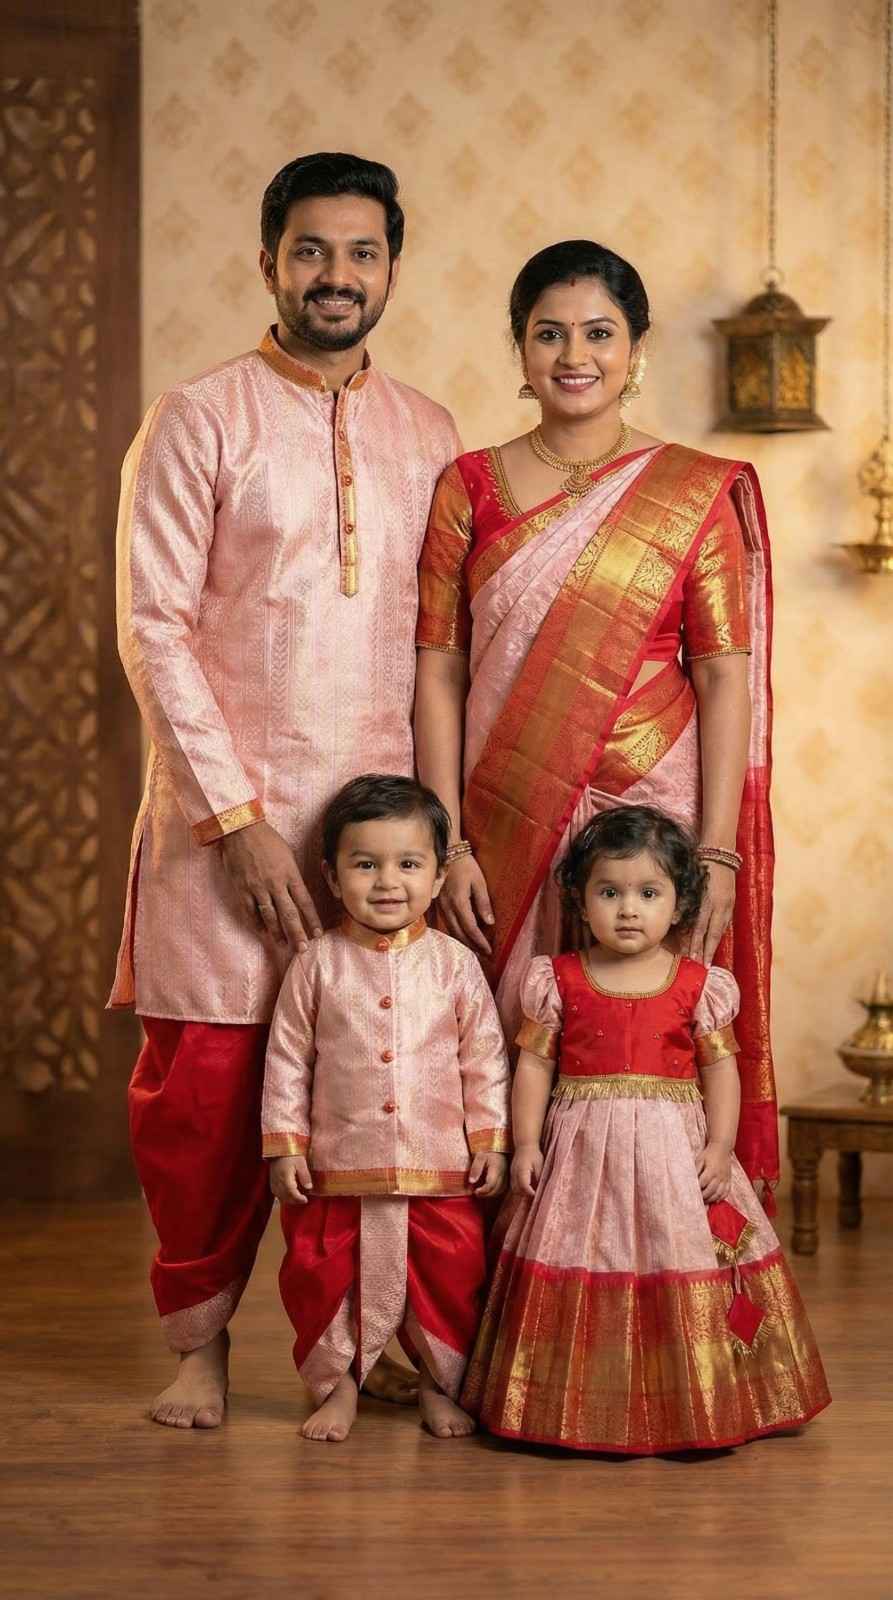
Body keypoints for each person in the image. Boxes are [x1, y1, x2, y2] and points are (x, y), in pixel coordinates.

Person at [109, 153, 461, 1428]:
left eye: (361, 253)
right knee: (204, 1104)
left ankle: (376, 1338)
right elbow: (153, 629)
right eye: (311, 251)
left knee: (379, 1089)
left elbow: (445, 643)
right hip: (225, 831)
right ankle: (199, 1351)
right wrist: (237, 821)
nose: (335, 276)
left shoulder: (428, 432)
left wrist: (441, 832)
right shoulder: (199, 416)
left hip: (380, 844)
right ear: (268, 261)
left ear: (391, 269)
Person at [414, 237, 777, 1206]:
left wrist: (715, 853)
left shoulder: (690, 492)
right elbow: (439, 671)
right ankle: (502, 1280)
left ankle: (656, 1254)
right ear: (519, 349)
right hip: (502, 806)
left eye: (598, 333)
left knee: (646, 1044)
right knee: (509, 1036)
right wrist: (448, 840)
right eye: (548, 334)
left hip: (652, 821)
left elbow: (723, 678)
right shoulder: (468, 486)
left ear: (635, 348)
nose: (573, 355)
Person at [462, 805, 830, 1453]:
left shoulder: (698, 986)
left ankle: (693, 1403)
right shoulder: (558, 980)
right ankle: (575, 1404)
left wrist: (720, 1146)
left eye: (648, 894)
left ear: (680, 904)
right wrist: (523, 1143)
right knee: (583, 1252)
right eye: (609, 893)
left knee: (676, 1253)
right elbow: (533, 1069)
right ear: (580, 901)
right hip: (580, 1154)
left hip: (673, 1153)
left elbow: (722, 1071)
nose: (627, 910)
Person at [263, 774, 511, 1442]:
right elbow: (287, 1060)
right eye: (365, 864)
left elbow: (484, 1060)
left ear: (438, 876)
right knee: (322, 1280)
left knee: (449, 1281)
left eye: (408, 864)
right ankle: (337, 1387)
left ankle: (438, 1386)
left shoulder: (455, 966)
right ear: (331, 874)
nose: (387, 882)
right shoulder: (316, 964)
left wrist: (490, 1141)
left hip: (440, 1166)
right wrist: (284, 1146)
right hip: (336, 1166)